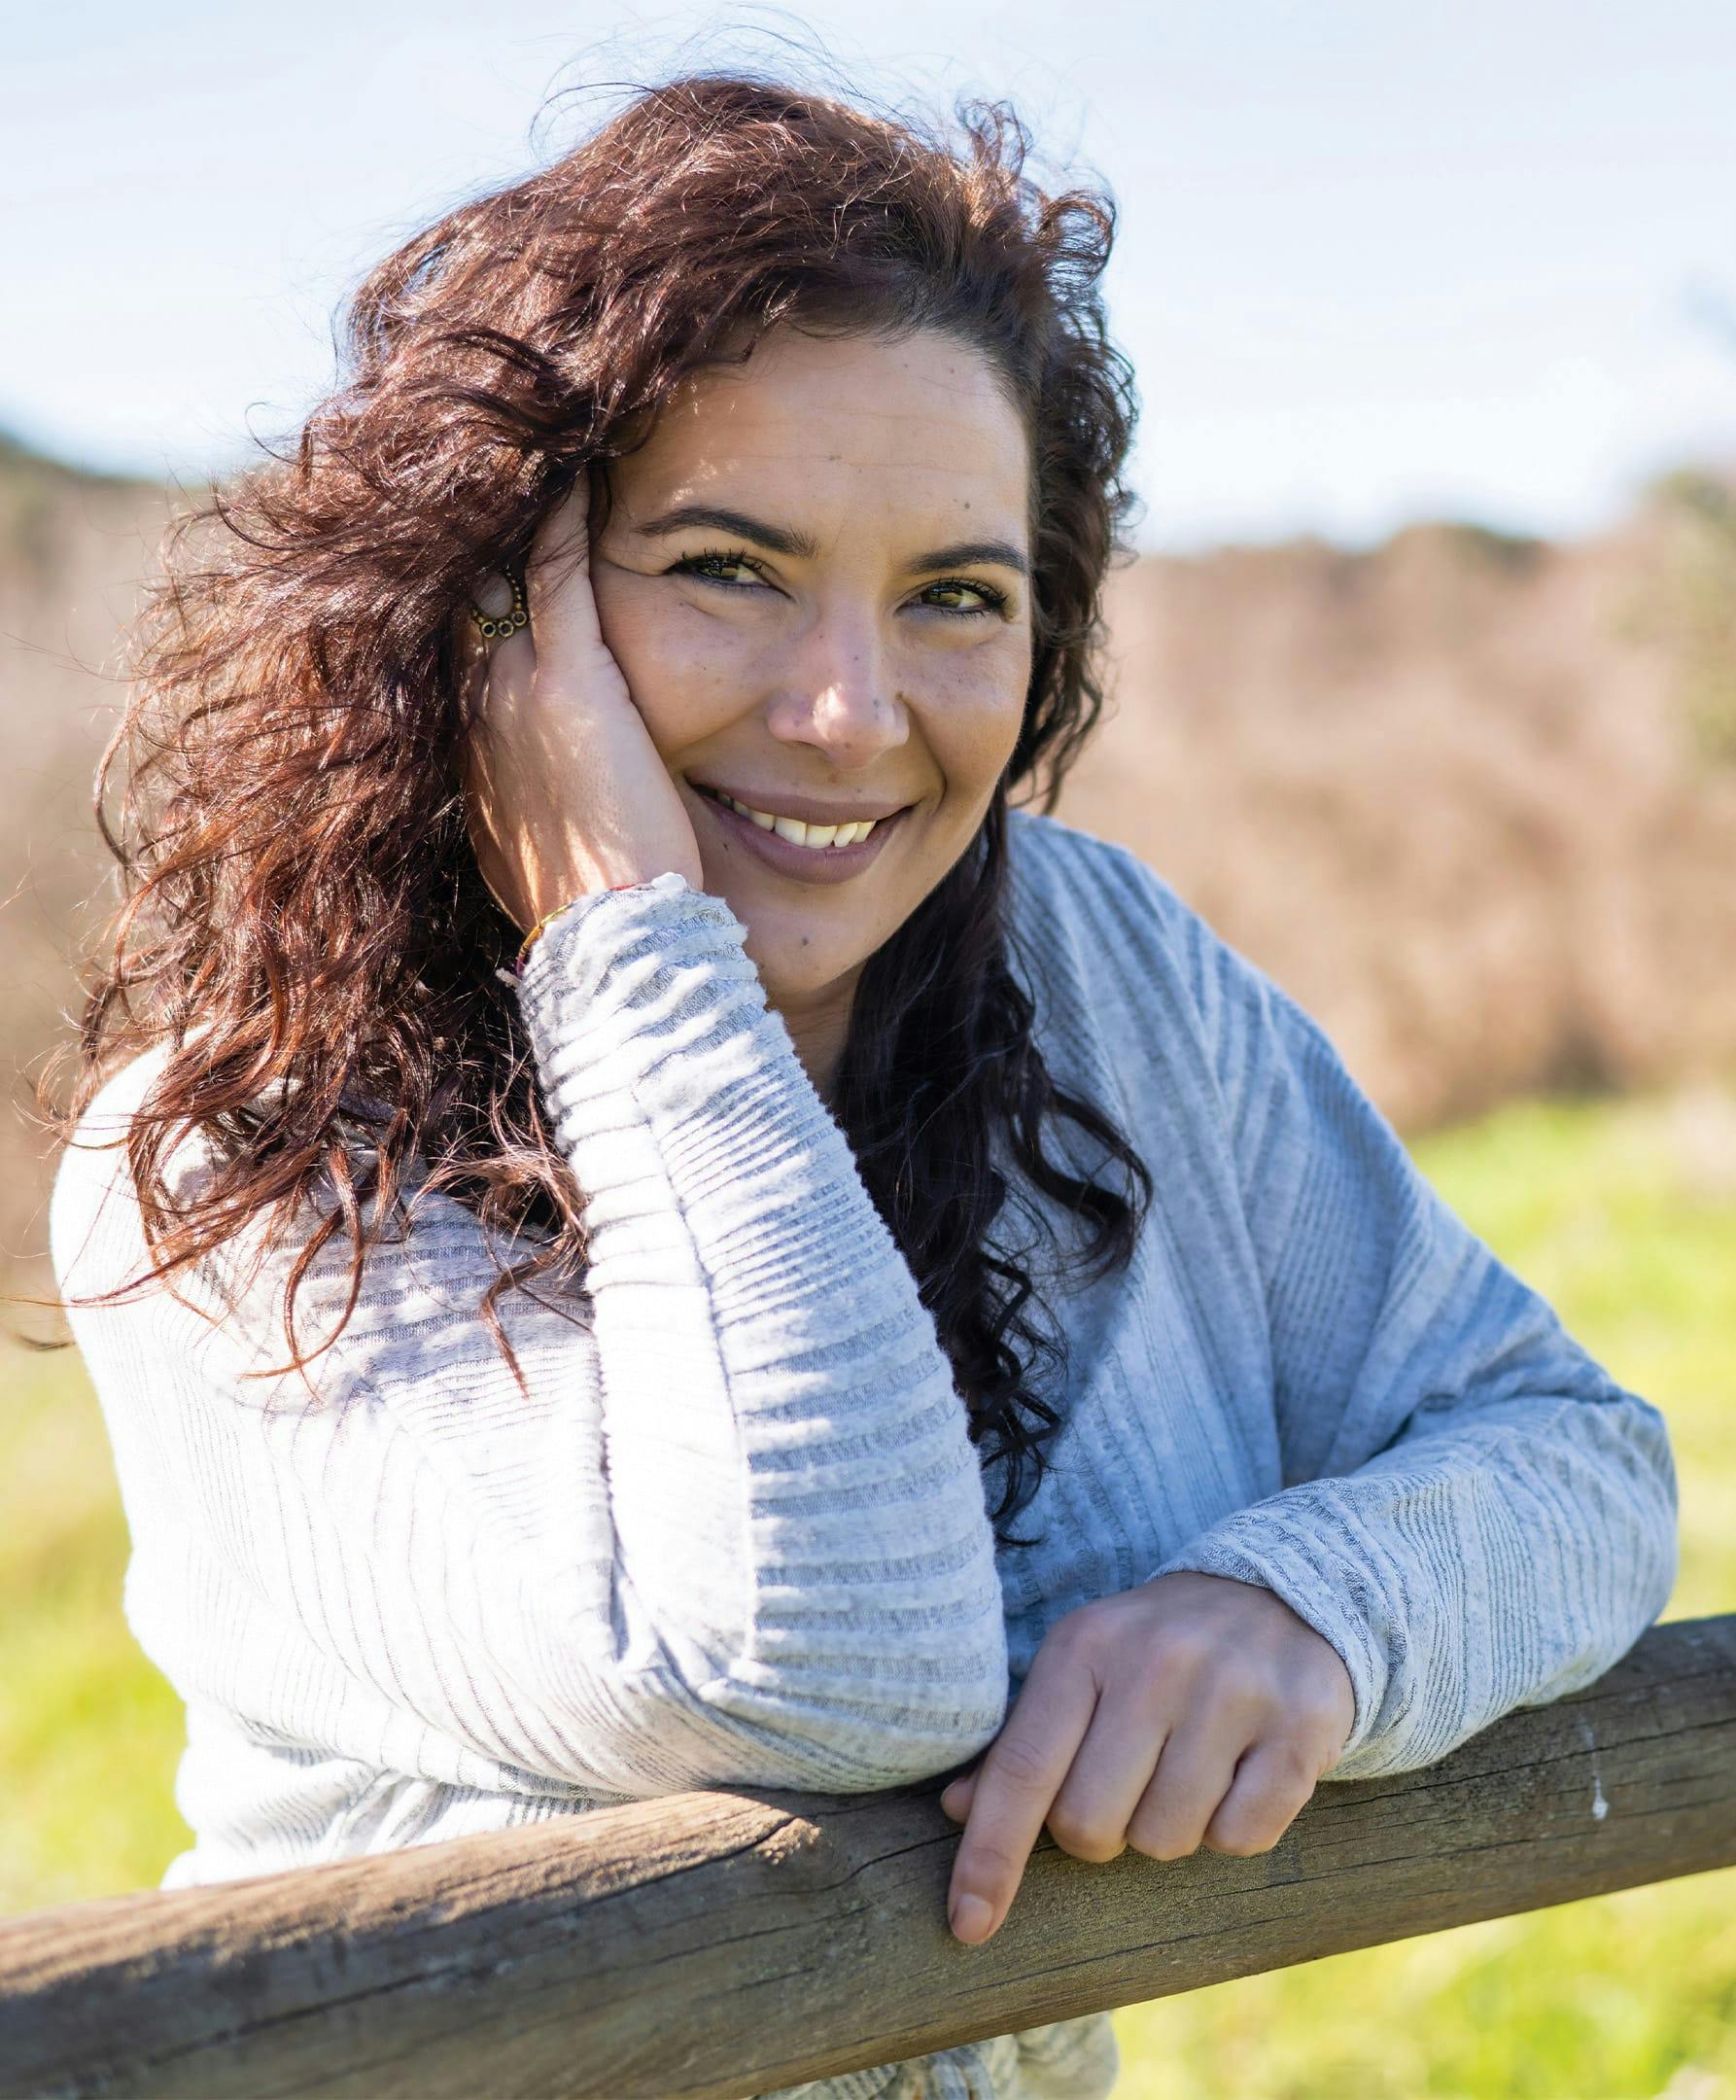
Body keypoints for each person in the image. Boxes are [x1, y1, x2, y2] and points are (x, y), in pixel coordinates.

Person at [46, 71, 1678, 2100]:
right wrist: (625, 938)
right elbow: (817, 1666)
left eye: (953, 597)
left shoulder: (1095, 969)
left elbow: (1571, 1458)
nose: (847, 711)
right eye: (728, 566)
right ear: (490, 612)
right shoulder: (236, 1160)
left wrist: (1311, 1605)